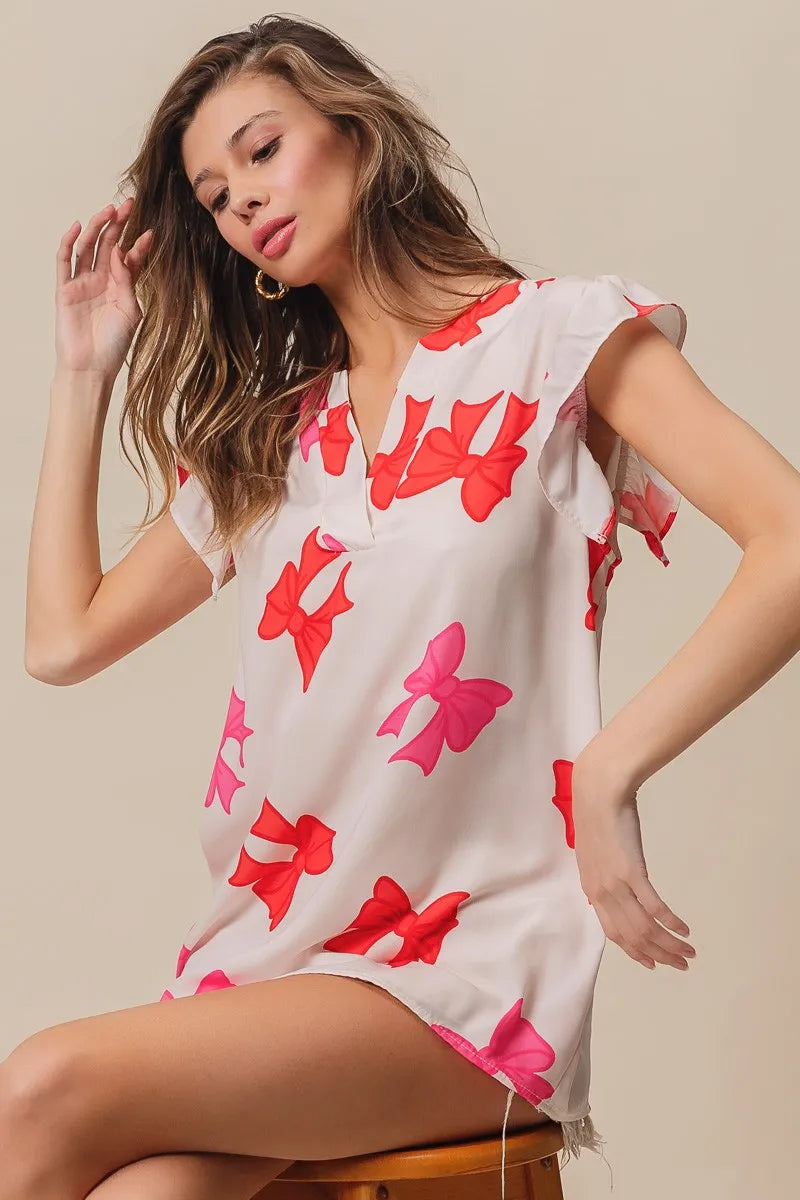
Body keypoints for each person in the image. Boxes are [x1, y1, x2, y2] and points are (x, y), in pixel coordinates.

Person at [17, 12, 800, 1200]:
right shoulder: (273, 438)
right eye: (216, 195)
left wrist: (606, 769)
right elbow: (62, 639)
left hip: (469, 974)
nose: (243, 199)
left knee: (43, 1084)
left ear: (356, 128)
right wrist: (84, 371)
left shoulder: (556, 338)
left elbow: (787, 540)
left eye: (262, 149)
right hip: (269, 967)